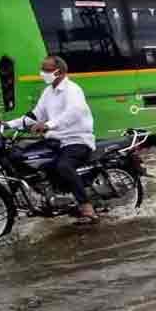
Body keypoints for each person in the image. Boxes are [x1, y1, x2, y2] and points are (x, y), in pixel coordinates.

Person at [7, 55, 97, 222]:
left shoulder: (72, 90)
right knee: (27, 157)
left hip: (76, 139)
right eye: (42, 69)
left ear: (60, 72)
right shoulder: (48, 92)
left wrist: (49, 125)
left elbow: (73, 112)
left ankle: (87, 207)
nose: (43, 73)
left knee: (64, 166)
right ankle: (54, 197)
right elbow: (35, 114)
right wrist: (8, 125)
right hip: (55, 140)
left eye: (47, 70)